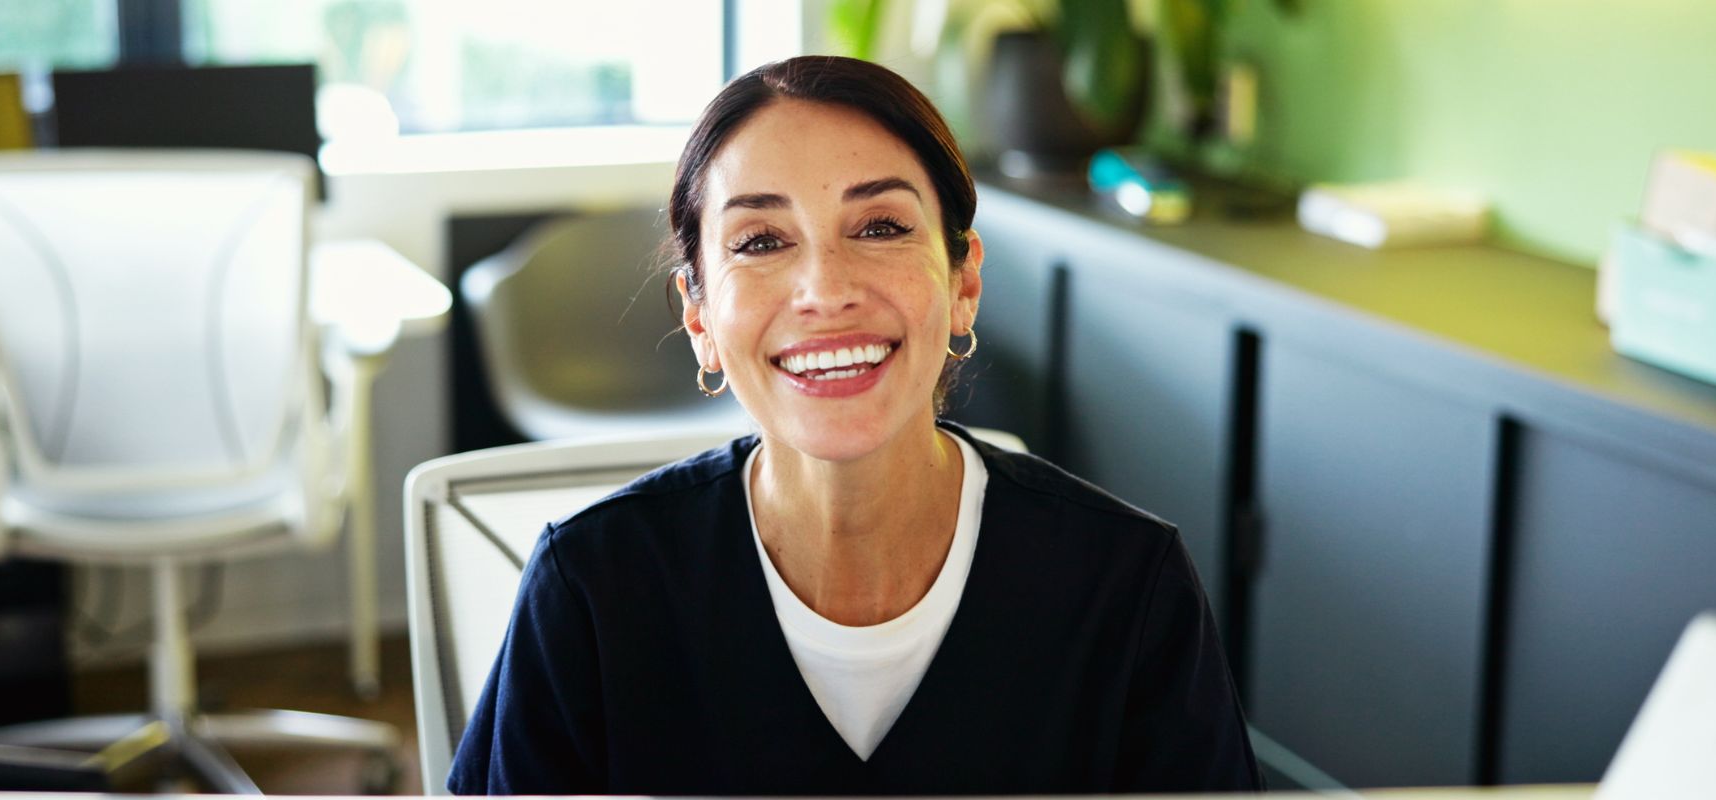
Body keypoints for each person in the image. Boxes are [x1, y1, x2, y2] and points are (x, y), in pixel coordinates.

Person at [448, 55, 1261, 795]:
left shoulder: (1127, 587)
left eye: (880, 228)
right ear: (698, 315)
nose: (824, 290)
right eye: (761, 241)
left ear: (965, 280)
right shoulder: (591, 587)